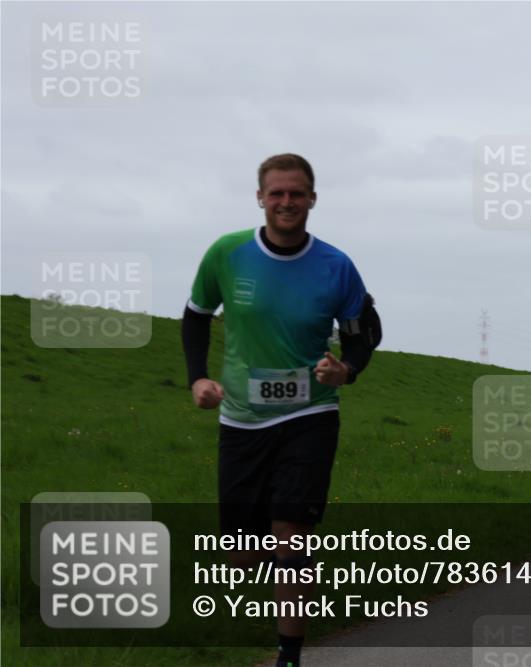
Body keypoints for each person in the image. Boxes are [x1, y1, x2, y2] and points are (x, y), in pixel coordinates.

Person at [182, 154, 381, 667]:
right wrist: (198, 377)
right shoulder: (227, 254)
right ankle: (295, 571)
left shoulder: (336, 265)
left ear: (313, 198)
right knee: (244, 554)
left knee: (290, 537)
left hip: (308, 416)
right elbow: (196, 317)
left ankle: (288, 655)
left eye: (297, 193)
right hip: (242, 420)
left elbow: (364, 332)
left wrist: (348, 369)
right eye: (277, 193)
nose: (287, 202)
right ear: (260, 198)